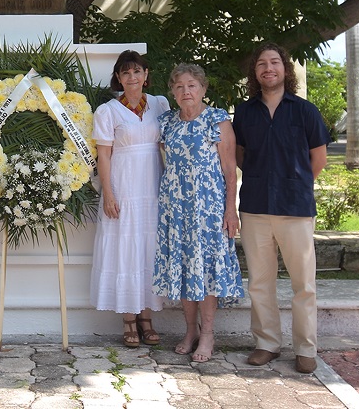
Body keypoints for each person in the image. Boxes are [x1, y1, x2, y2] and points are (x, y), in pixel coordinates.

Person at [233, 43, 330, 374]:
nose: (268, 68)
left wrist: (296, 183)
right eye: (261, 64)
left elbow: (318, 159)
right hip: (256, 207)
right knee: (260, 282)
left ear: (285, 70)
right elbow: (240, 154)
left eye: (274, 62)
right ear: (255, 73)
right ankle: (267, 344)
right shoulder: (244, 113)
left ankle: (305, 349)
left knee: (303, 283)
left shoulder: (305, 111)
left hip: (295, 209)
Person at [152, 64, 243, 363]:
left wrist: (231, 210)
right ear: (173, 93)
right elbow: (167, 164)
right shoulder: (167, 122)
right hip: (176, 209)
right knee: (184, 269)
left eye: (191, 85)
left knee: (207, 270)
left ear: (203, 89)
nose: (185, 91)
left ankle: (208, 334)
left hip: (209, 209)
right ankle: (190, 330)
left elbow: (230, 171)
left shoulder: (216, 120)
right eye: (179, 87)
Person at [89, 50, 169, 348]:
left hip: (152, 187)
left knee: (148, 250)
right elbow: (104, 155)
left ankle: (147, 318)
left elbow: (165, 147)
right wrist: (108, 192)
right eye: (126, 73)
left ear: (146, 75)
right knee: (125, 249)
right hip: (122, 186)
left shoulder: (160, 105)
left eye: (137, 71)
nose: (132, 77)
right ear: (118, 78)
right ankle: (128, 320)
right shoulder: (108, 111)